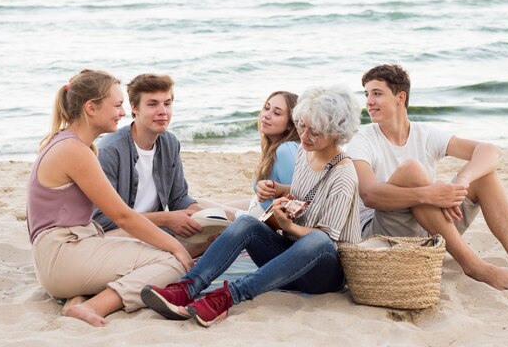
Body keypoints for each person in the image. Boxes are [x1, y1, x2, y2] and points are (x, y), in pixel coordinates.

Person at [139, 85, 362, 327]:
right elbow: (306, 193)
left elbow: (328, 238)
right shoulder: (303, 152)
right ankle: (187, 287)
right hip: (288, 261)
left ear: (337, 132)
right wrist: (280, 191)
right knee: (246, 222)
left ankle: (227, 297)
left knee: (317, 240)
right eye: (302, 126)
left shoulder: (344, 174)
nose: (305, 136)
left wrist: (288, 225)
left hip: (324, 272)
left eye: (315, 131)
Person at [347, 64, 508, 291]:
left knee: (483, 176)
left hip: (430, 226)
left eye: (377, 93)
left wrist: (461, 181)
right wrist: (428, 193)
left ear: (400, 97)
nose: (369, 101)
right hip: (382, 232)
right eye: (366, 94)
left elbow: (490, 151)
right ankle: (473, 265)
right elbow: (370, 195)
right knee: (413, 171)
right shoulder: (363, 140)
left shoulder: (424, 134)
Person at [26, 70, 193, 327]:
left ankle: (78, 297)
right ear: (91, 108)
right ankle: (95, 305)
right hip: (62, 257)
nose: (123, 113)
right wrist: (177, 248)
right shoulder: (74, 150)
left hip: (65, 252)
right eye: (116, 105)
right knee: (171, 262)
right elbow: (122, 216)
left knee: (155, 250)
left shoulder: (73, 144)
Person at [92, 73, 225, 256]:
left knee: (220, 234)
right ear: (134, 107)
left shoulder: (170, 143)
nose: (163, 111)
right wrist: (165, 219)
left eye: (167, 103)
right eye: (153, 104)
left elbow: (178, 198)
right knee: (180, 253)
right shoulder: (109, 151)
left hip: (156, 229)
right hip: (116, 235)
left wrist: (207, 217)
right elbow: (103, 220)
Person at [239, 91, 300, 217]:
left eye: (277, 113)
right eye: (266, 108)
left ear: (290, 124)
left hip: (264, 223)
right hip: (257, 209)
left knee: (198, 211)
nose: (266, 115)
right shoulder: (274, 147)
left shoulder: (286, 149)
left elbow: (296, 200)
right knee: (197, 206)